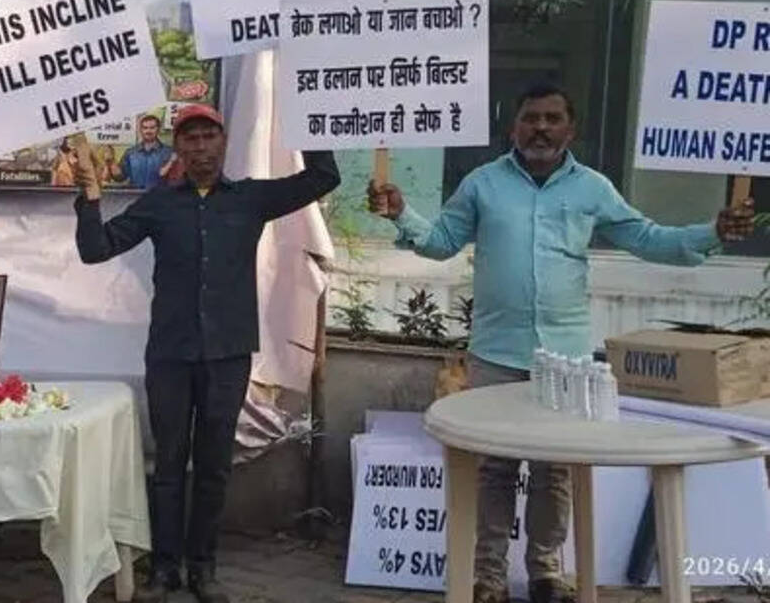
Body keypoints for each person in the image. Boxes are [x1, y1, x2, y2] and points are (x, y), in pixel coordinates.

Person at [366, 83, 755, 603]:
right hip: (495, 353)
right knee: (494, 469)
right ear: (514, 128)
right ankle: (487, 578)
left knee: (554, 471)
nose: (541, 128)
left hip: (565, 360)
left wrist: (712, 232)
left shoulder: (592, 188)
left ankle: (546, 573)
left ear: (570, 131)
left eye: (552, 119)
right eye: (531, 118)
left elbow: (647, 239)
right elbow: (440, 243)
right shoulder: (483, 184)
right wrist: (400, 213)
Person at [73, 103, 340, 603]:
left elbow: (324, 177)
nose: (200, 148)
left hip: (227, 355)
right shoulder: (159, 203)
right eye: (190, 139)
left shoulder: (251, 199)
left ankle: (203, 568)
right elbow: (96, 249)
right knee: (169, 465)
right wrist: (89, 198)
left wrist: (309, 113)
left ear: (223, 143)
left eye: (209, 137)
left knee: (214, 466)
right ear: (178, 147)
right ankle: (163, 569)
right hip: (170, 355)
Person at [112, 114, 174, 189]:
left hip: (160, 195)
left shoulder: (169, 153)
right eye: (145, 128)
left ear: (158, 129)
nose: (148, 131)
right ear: (140, 130)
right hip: (135, 195)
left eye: (152, 128)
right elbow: (119, 178)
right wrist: (110, 162)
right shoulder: (130, 153)